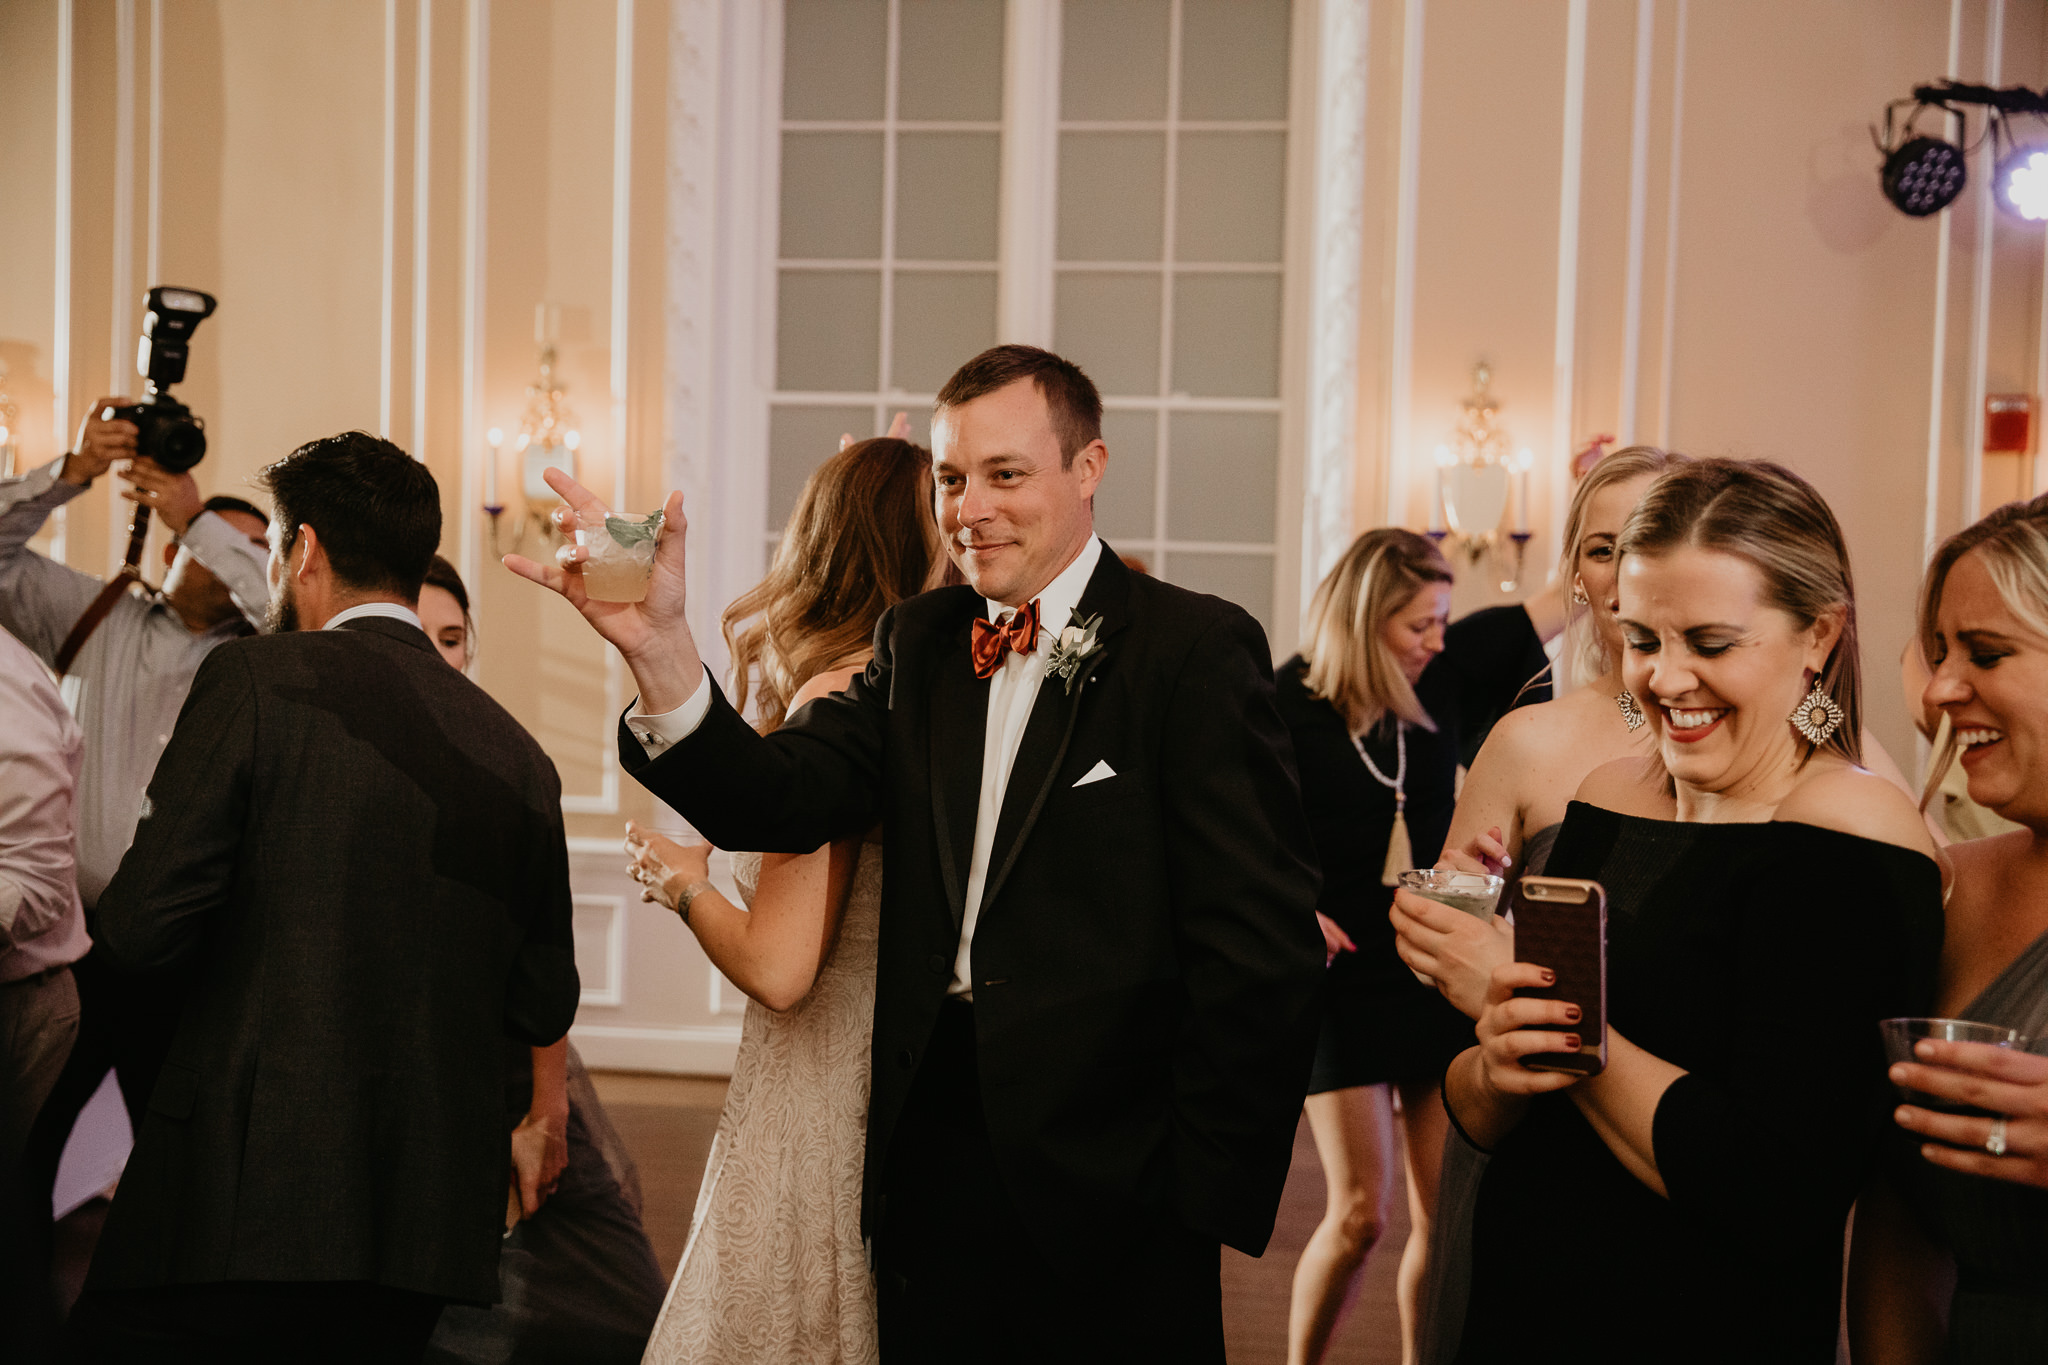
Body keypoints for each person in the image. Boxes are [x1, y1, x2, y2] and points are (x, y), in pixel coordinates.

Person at [507, 344, 1325, 1361]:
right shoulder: (918, 641)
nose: (969, 508)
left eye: (1004, 474)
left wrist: (1196, 1195)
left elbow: (1261, 949)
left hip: (1117, 1176)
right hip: (929, 1162)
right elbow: (776, 796)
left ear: (1089, 468)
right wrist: (660, 649)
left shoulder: (1192, 650)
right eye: (950, 478)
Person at [65, 432, 580, 1362]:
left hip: (238, 1191)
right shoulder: (520, 755)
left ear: (302, 550)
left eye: (272, 547)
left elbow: (139, 929)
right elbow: (543, 1000)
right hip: (424, 1217)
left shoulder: (254, 680)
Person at [1444, 458, 1941, 1362]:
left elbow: (1775, 1190)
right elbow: (1482, 1116)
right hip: (1520, 1308)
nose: (1667, 679)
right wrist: (1495, 1058)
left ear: (1819, 633)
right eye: (1643, 639)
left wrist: (1567, 1026)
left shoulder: (1851, 826)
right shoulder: (1604, 794)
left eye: (1710, 644)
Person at [623, 433, 942, 1363]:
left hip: (820, 1089)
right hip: (895, 1074)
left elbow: (781, 967)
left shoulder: (841, 692)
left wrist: (684, 883)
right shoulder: (918, 697)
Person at [400, 554, 665, 1365]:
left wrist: (547, 1112)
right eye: (418, 637)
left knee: (626, 1303)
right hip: (411, 1090)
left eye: (452, 639)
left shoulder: (503, 763)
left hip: (514, 1067)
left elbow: (544, 955)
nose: (438, 657)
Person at [1849, 492, 2048, 1364]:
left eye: (1986, 653)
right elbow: (1898, 1223)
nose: (1937, 691)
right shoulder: (1950, 891)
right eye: (1940, 654)